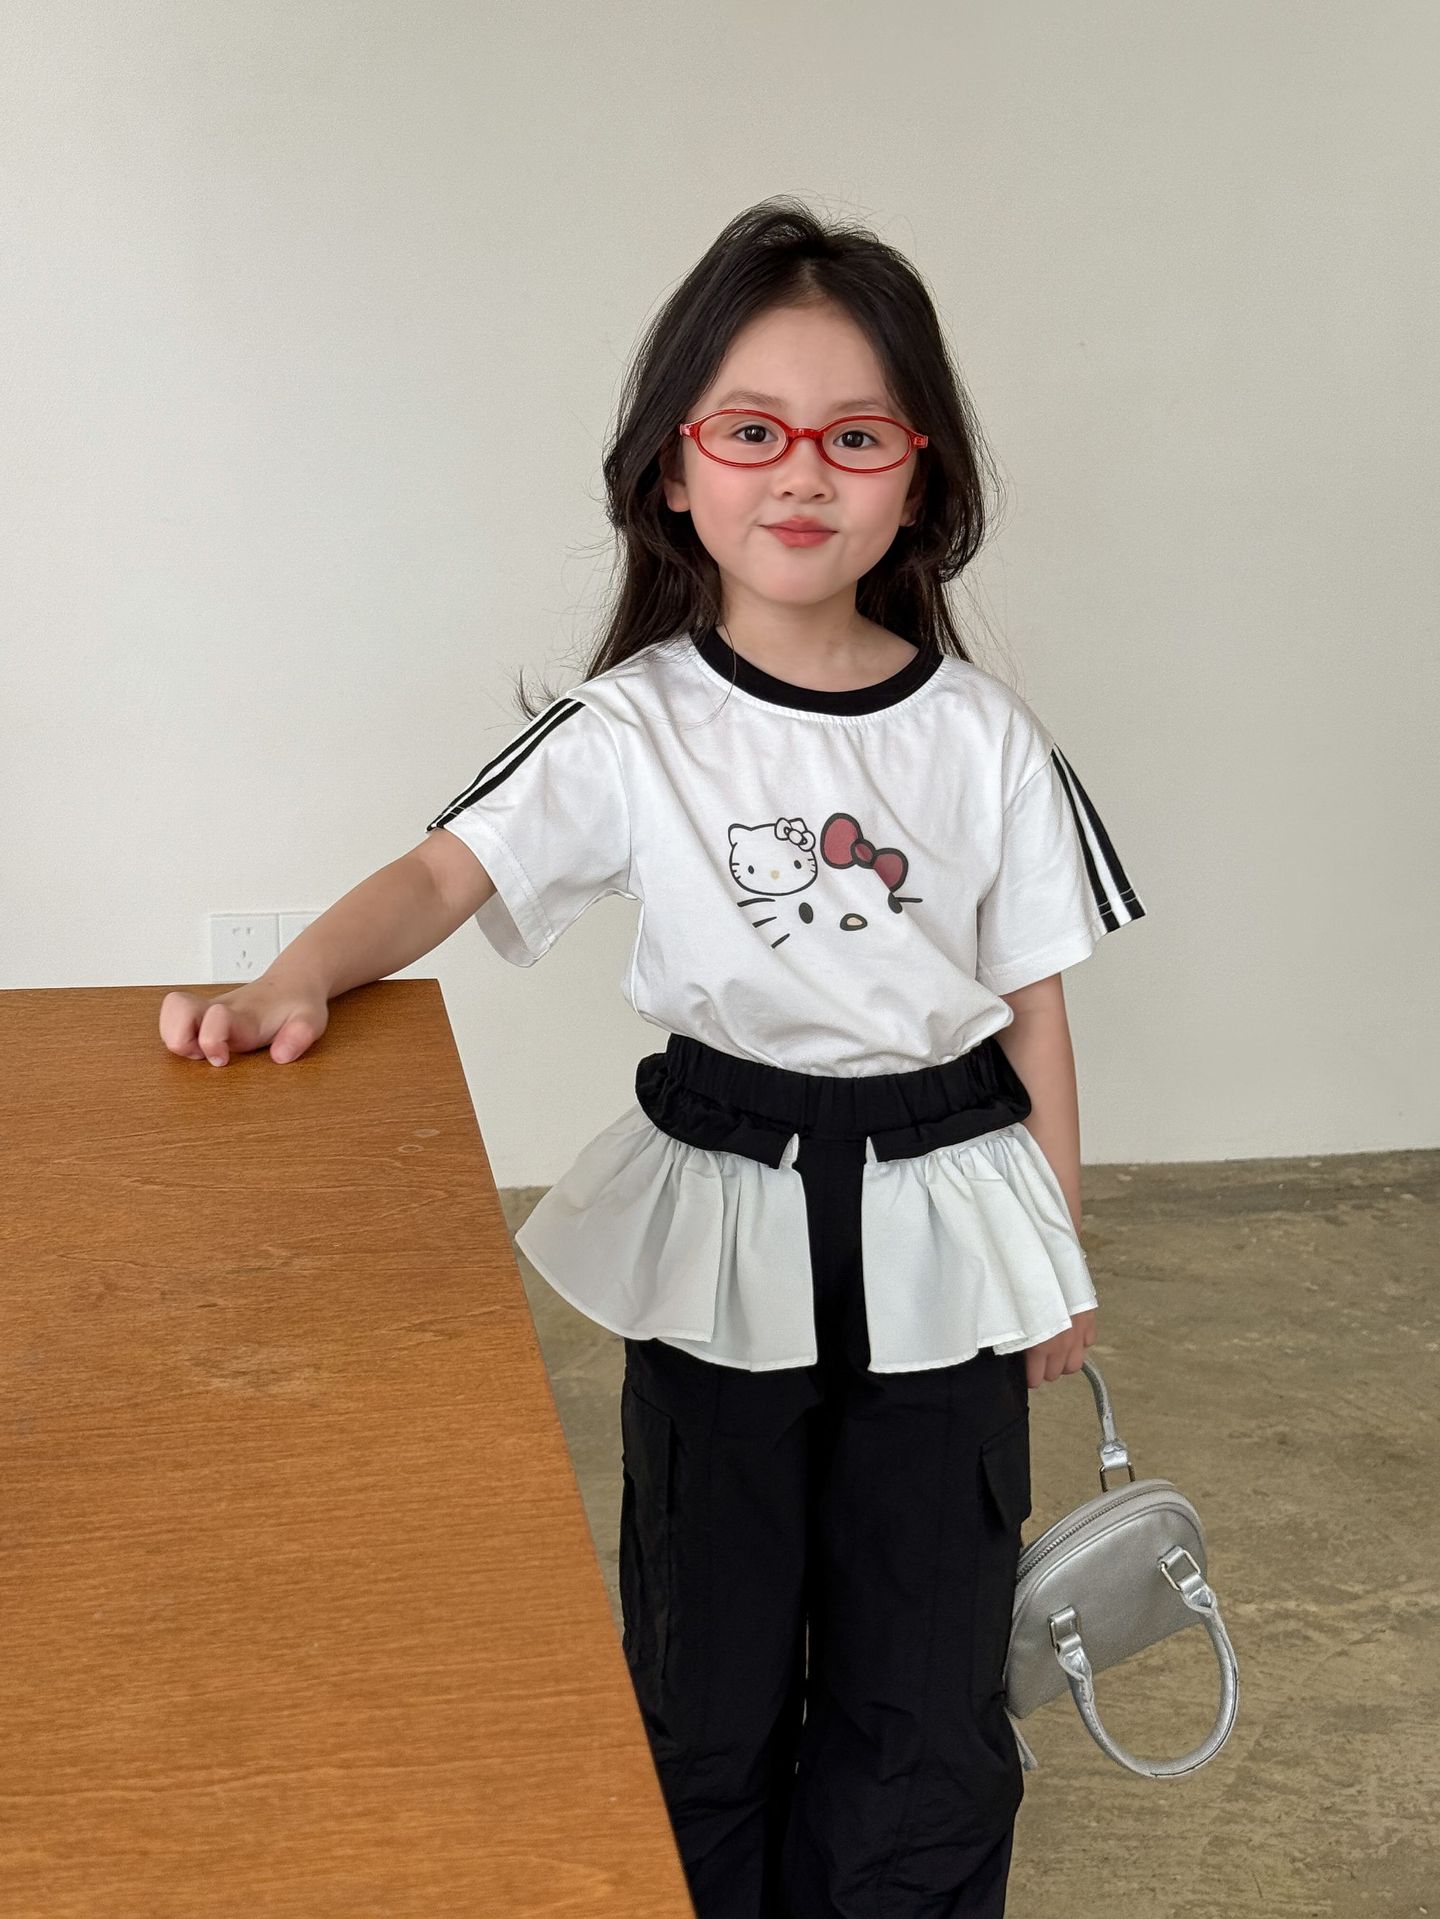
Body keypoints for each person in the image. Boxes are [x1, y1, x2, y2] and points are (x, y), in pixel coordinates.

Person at [160, 198, 1147, 1919]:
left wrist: (1054, 1251)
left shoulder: (986, 738)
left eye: (855, 436)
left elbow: (1036, 1006)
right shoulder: (629, 726)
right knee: (707, 1658)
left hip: (947, 1208)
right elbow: (443, 875)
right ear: (674, 470)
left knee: (927, 1672)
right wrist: (294, 977)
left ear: (920, 477)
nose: (802, 474)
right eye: (752, 431)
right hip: (725, 1207)